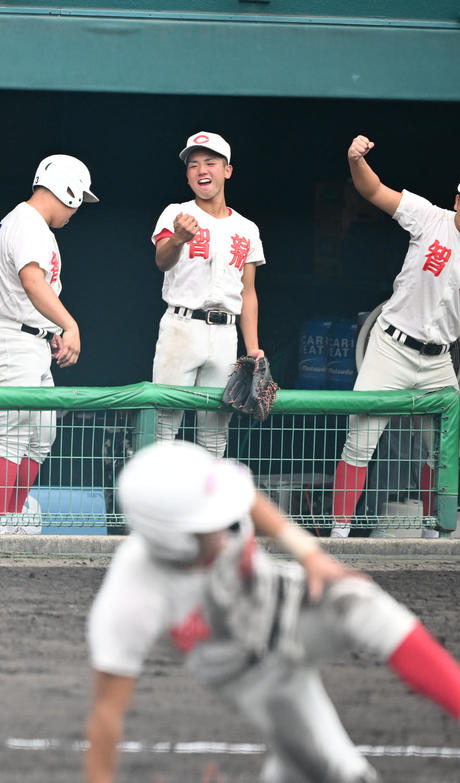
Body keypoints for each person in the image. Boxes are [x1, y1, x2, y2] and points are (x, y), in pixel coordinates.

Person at [85, 441, 460, 783]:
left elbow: (247, 497)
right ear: (171, 539)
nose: (227, 525)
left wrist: (309, 553)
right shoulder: (132, 593)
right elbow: (106, 714)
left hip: (288, 605)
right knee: (339, 773)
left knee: (356, 600)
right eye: (210, 523)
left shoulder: (213, 500)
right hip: (257, 676)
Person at [329, 136, 460, 538]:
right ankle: (338, 535)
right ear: (458, 200)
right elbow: (373, 189)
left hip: (439, 359)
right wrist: (355, 160)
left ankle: (431, 532)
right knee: (360, 442)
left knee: (442, 453)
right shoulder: (429, 216)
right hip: (392, 346)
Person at [0, 155, 96, 534]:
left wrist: (50, 328)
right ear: (69, 191)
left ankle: (10, 514)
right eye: (78, 200)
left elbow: (30, 289)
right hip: (10, 338)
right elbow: (31, 281)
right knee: (12, 436)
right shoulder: (28, 222)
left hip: (28, 338)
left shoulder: (31, 223)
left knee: (41, 437)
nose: (77, 209)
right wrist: (68, 323)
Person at [150, 131, 265, 457]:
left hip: (225, 334)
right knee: (163, 425)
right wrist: (177, 238)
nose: (202, 170)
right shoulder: (178, 213)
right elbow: (161, 260)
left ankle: (208, 509)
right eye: (194, 164)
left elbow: (249, 292)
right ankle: (157, 506)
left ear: (227, 170)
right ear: (187, 175)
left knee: (215, 433)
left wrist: (253, 347)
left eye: (210, 162)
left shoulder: (247, 228)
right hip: (182, 327)